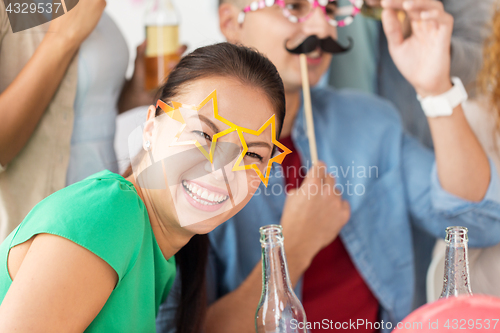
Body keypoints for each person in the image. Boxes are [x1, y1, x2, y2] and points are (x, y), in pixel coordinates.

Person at [155, 0, 500, 332]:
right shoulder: (191, 161)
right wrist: (294, 246)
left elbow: (480, 223)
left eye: (331, 8)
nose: (322, 28)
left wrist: (435, 88)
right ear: (232, 23)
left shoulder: (372, 121)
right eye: (295, 6)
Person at [0, 42, 287, 332]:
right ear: (151, 127)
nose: (222, 171)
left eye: (252, 154)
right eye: (203, 134)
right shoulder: (106, 215)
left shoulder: (159, 253)